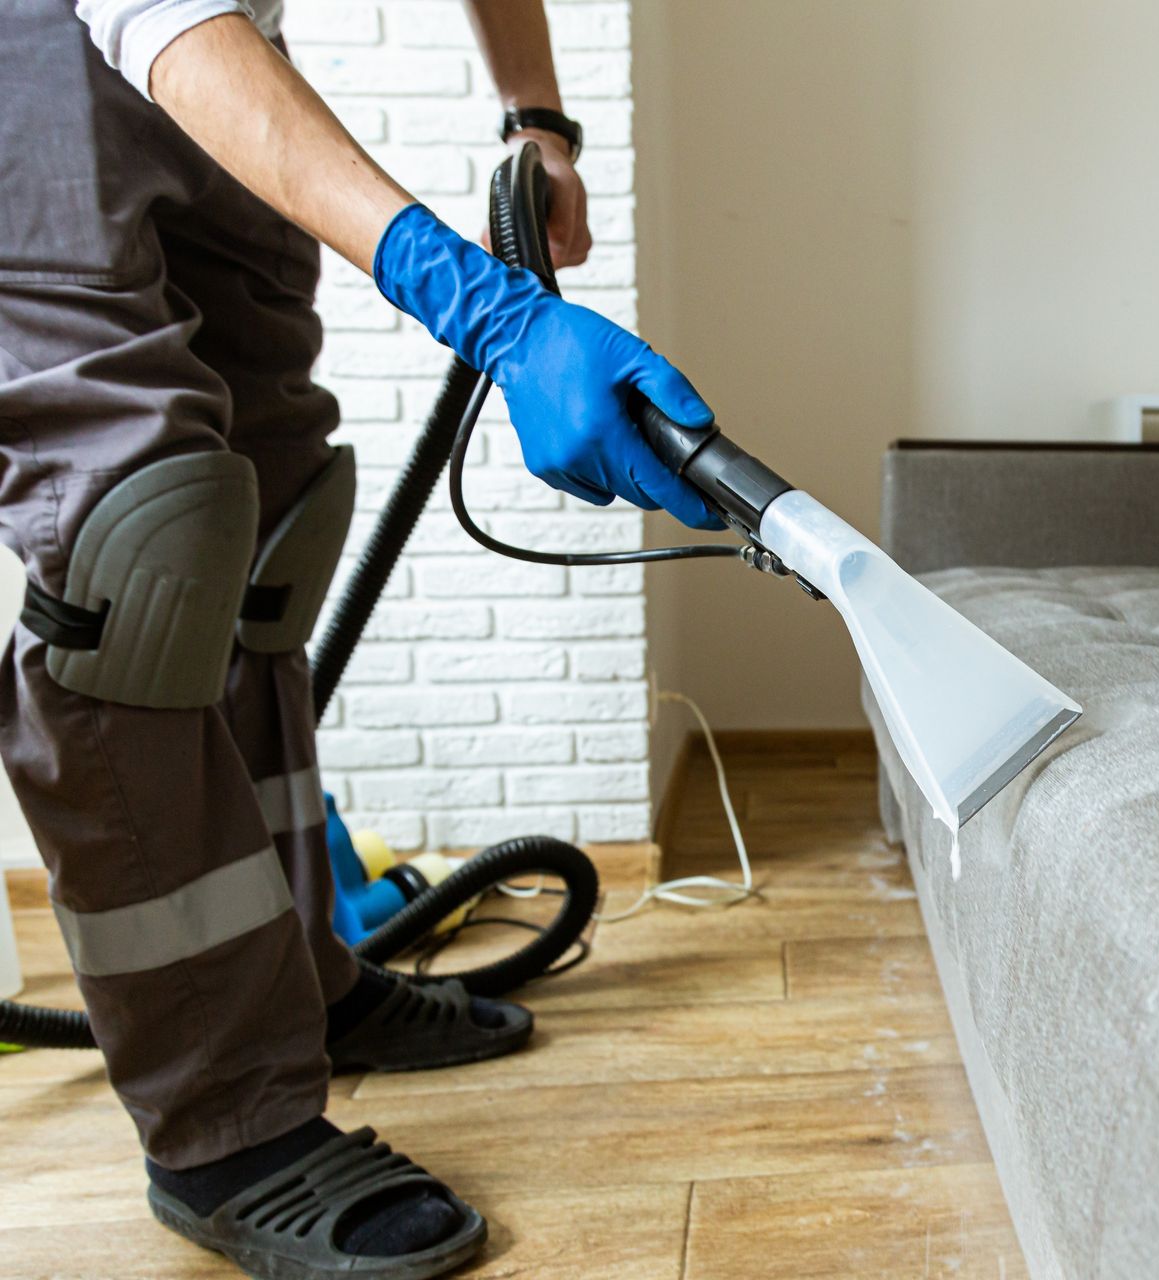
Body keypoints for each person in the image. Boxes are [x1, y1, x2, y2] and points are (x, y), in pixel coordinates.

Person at [0, 0, 716, 1274]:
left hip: (221, 36)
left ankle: (300, 971)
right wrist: (492, 313)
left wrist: (539, 119)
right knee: (139, 545)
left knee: (269, 506)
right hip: (40, 60)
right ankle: (224, 1119)